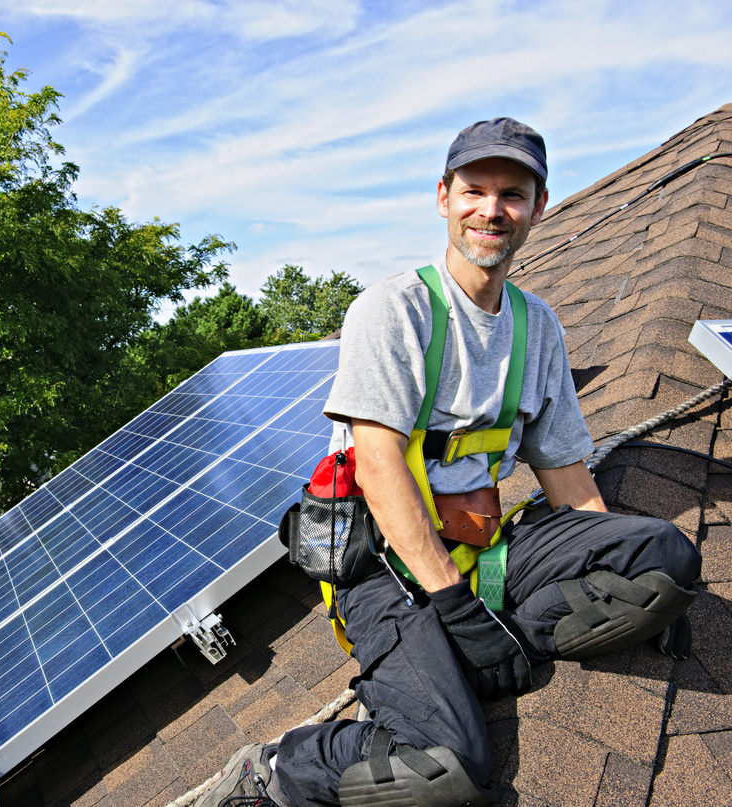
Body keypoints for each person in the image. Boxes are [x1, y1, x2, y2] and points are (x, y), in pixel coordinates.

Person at [197, 118, 701, 807]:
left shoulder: (537, 326)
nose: (491, 210)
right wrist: (457, 607)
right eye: (474, 190)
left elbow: (567, 477)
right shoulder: (394, 311)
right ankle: (277, 770)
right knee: (446, 770)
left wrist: (626, 572)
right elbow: (377, 468)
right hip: (383, 567)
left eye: (513, 194)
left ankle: (466, 656)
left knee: (668, 554)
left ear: (539, 207)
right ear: (443, 197)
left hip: (482, 544)